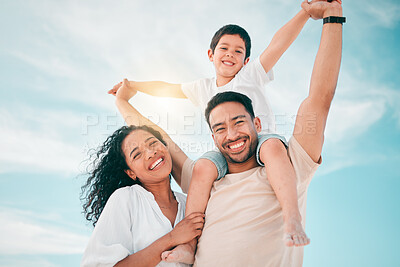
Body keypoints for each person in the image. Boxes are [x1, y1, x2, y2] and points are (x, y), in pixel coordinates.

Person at [109, 0, 341, 252]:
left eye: (238, 51)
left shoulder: (251, 74)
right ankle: (188, 243)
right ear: (211, 54)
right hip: (224, 153)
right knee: (203, 168)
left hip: (263, 141)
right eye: (224, 48)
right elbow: (167, 88)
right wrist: (133, 85)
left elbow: (278, 45)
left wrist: (305, 13)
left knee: (274, 149)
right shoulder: (203, 88)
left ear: (246, 59)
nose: (230, 54)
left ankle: (292, 216)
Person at [80, 88, 205, 266]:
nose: (150, 153)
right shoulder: (126, 199)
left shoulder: (190, 203)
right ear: (130, 172)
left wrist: (123, 100)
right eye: (137, 155)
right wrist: (172, 238)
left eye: (153, 143)